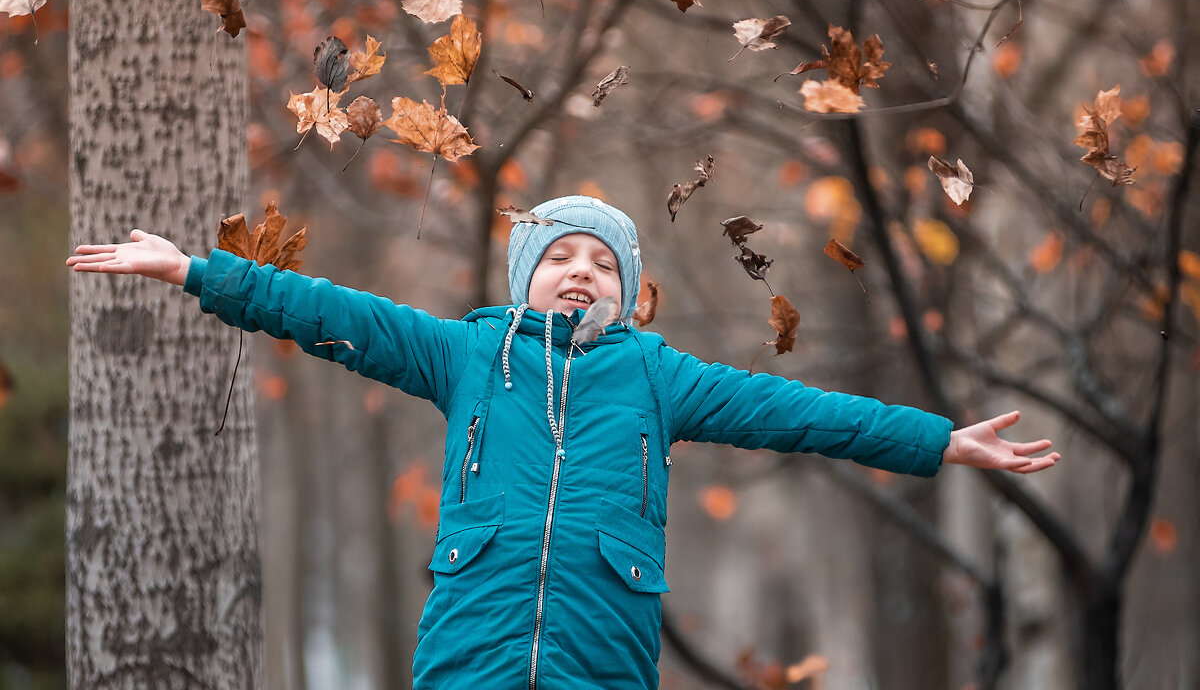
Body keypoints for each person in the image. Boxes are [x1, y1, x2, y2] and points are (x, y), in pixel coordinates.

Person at [68, 195, 1059, 690]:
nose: (581, 272)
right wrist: (197, 270)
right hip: (472, 649)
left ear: (629, 289)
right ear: (523, 276)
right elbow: (328, 308)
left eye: (603, 263)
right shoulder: (464, 352)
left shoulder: (658, 376)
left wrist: (941, 441)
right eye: (559, 257)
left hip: (603, 655)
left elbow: (802, 409)